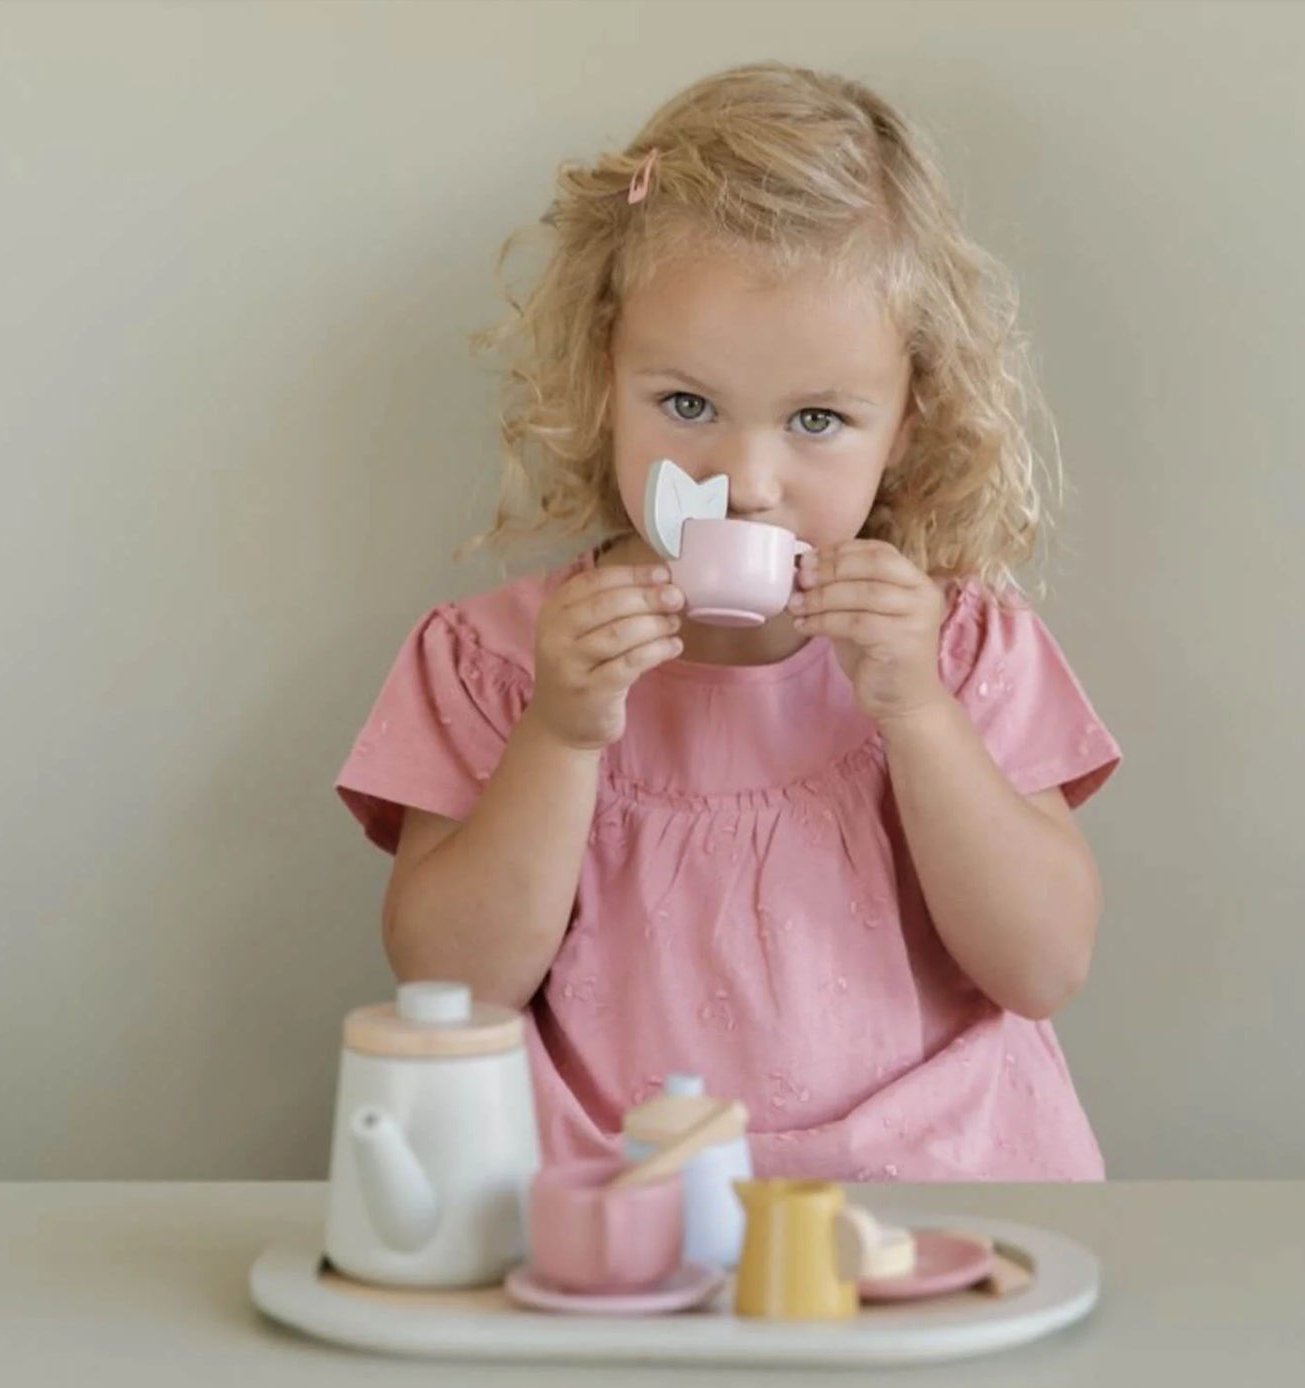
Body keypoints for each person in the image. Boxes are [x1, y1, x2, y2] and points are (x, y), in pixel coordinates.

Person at [336, 62, 1122, 1181]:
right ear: (604, 376)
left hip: (935, 1191)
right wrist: (559, 733)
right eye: (687, 405)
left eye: (816, 418)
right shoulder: (500, 664)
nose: (746, 479)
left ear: (903, 424)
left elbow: (1041, 966)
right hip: (615, 1210)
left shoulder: (957, 650)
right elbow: (449, 990)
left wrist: (917, 711)